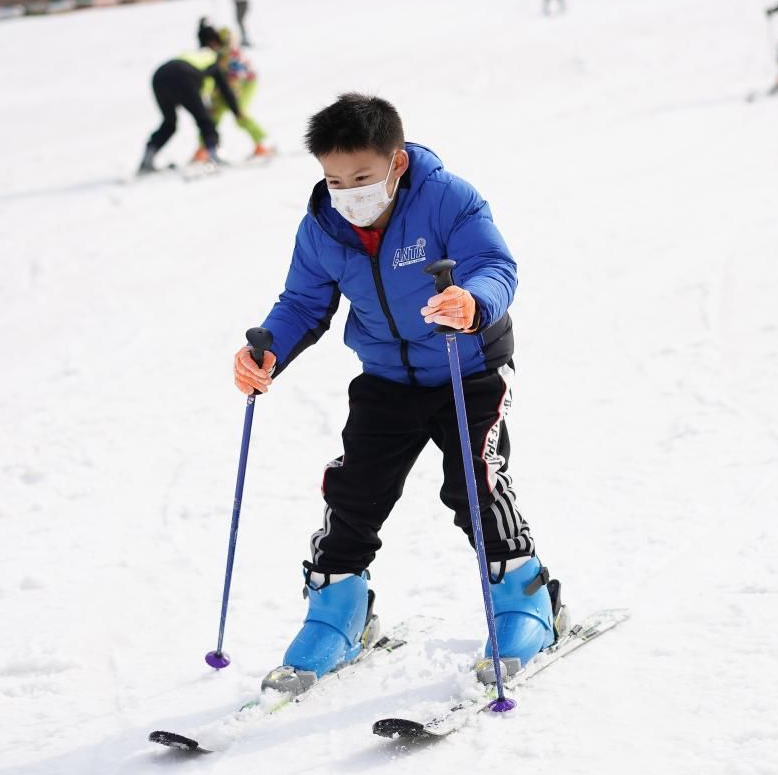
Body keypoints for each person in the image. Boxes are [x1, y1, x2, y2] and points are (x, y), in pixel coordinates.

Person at [233, 93, 566, 694]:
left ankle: (526, 600)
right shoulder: (323, 227)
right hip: (386, 377)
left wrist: (471, 301)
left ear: (396, 164)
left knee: (475, 482)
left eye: (361, 177)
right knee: (355, 488)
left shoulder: (448, 199)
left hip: (468, 369)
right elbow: (304, 303)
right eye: (334, 179)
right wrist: (267, 353)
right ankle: (340, 612)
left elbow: (494, 264)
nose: (348, 192)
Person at [138, 20, 243, 174]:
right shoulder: (212, 58)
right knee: (205, 119)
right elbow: (225, 89)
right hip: (182, 76)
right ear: (214, 43)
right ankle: (215, 155)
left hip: (159, 75)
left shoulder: (192, 54)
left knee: (169, 123)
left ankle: (147, 160)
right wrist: (237, 111)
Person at [192, 26, 273, 162]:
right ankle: (203, 149)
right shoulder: (216, 54)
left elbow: (236, 78)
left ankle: (262, 143)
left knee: (240, 114)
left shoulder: (232, 54)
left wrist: (232, 101)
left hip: (245, 83)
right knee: (211, 118)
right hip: (224, 89)